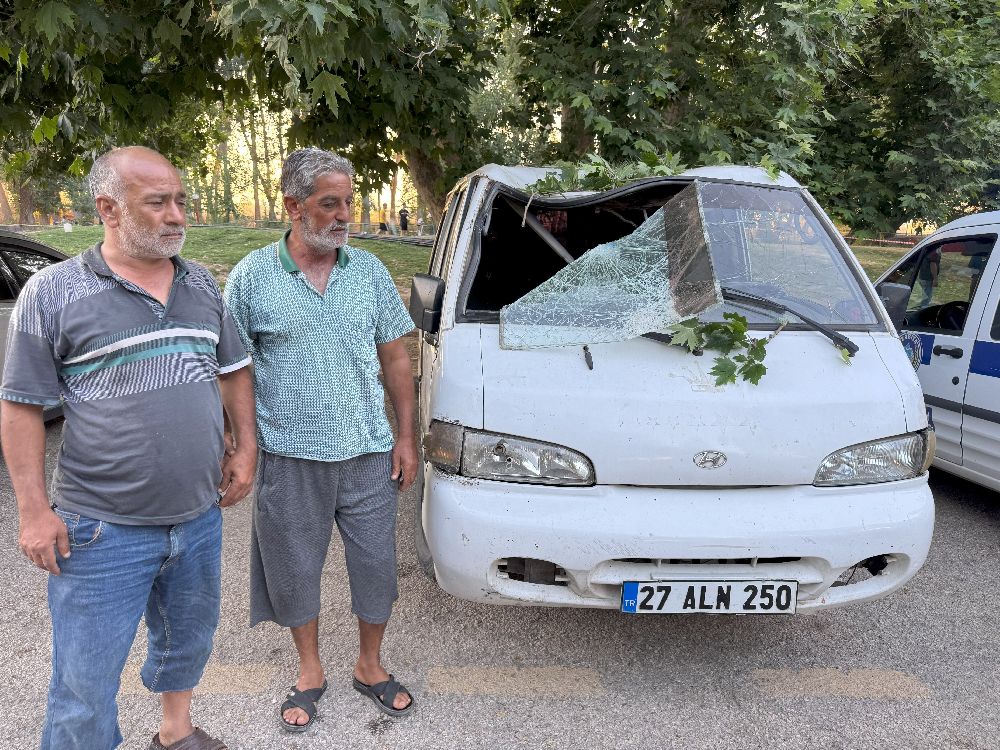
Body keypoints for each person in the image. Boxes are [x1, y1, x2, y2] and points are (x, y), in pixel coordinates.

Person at [0, 146, 257, 750]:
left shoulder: (199, 282)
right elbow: (19, 406)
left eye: (181, 202)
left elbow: (235, 369)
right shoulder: (52, 292)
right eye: (158, 203)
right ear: (108, 209)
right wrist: (34, 510)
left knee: (187, 643)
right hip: (100, 530)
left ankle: (175, 733)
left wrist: (245, 448)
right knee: (84, 685)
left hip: (197, 518)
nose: (176, 216)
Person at [224, 148, 418, 731]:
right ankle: (310, 670)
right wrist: (241, 445)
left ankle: (369, 665)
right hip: (289, 458)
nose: (343, 216)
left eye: (348, 203)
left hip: (367, 454)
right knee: (293, 568)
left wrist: (405, 437)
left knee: (377, 567)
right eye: (328, 204)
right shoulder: (252, 277)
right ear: (293, 206)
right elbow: (234, 372)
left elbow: (396, 358)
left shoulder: (369, 271)